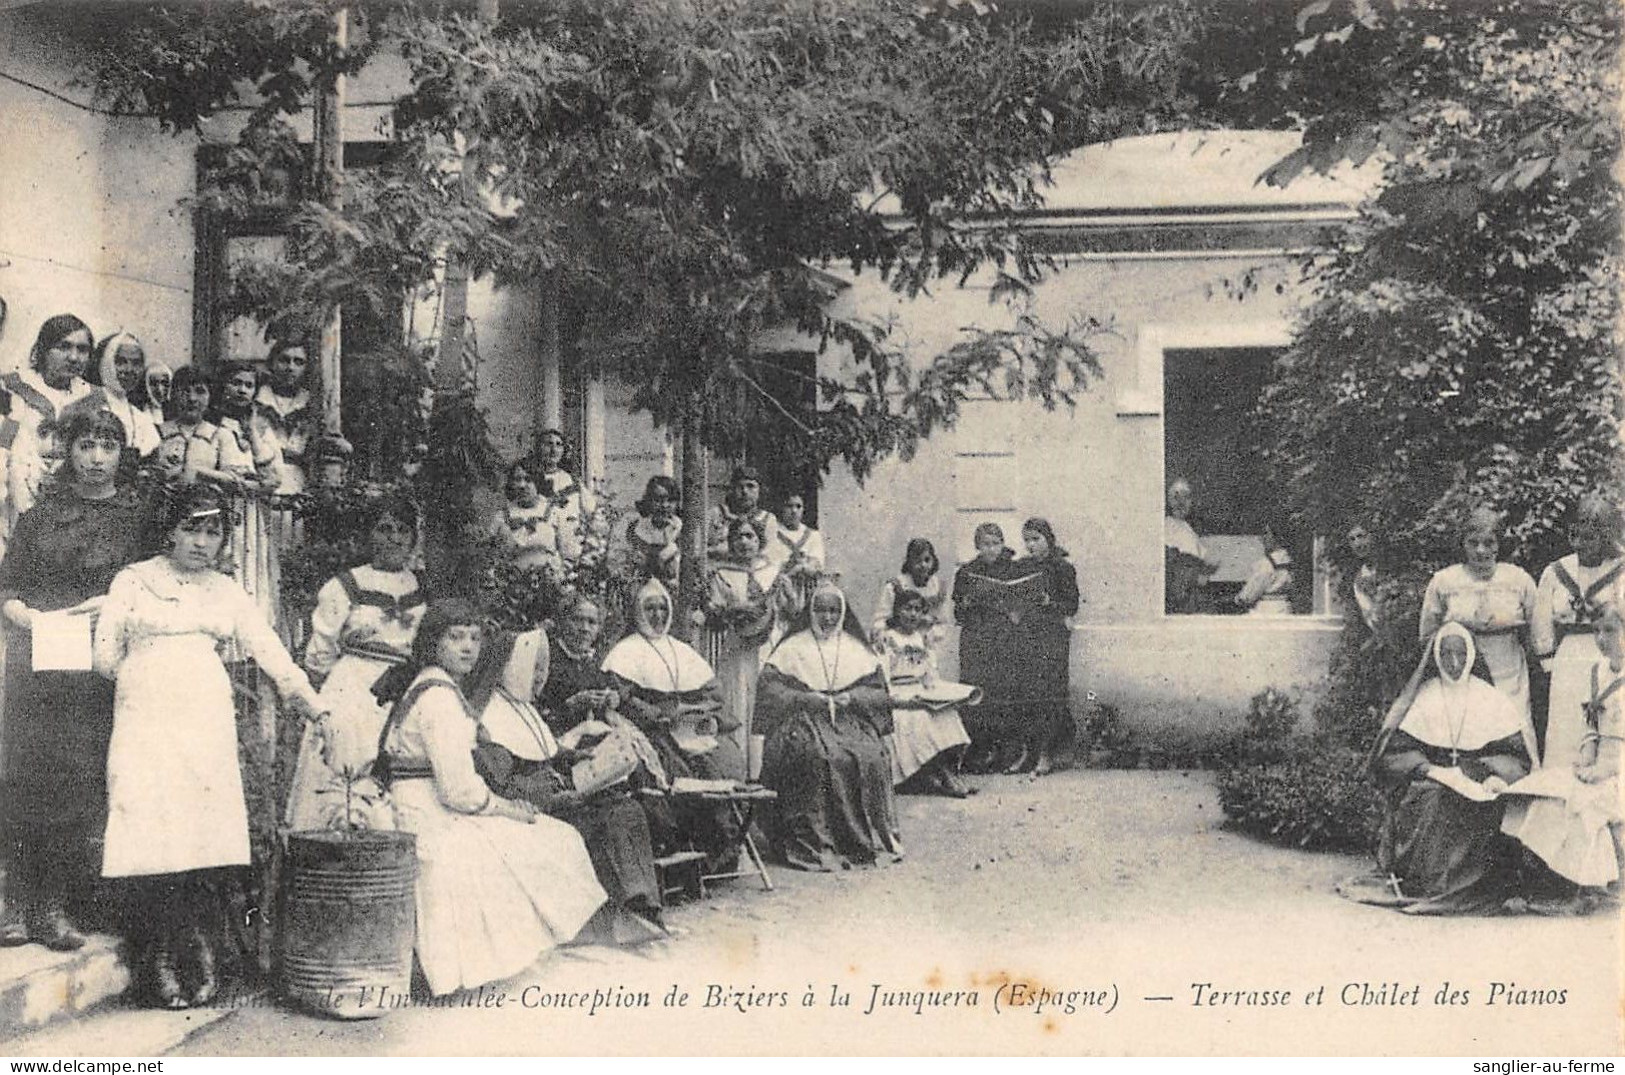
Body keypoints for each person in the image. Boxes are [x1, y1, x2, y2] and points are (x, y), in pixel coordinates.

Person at [93, 485, 325, 1007]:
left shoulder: (225, 591)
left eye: (213, 531)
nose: (201, 542)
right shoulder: (134, 581)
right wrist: (150, 671)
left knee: (199, 832)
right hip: (146, 716)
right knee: (151, 825)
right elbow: (104, 656)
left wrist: (313, 704)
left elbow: (270, 650)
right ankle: (155, 955)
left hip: (205, 717)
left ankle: (195, 948)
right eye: (191, 529)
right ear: (170, 530)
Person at [372, 600, 606, 996]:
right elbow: (459, 792)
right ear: (433, 643)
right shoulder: (439, 698)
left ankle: (521, 951)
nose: (468, 647)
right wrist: (508, 809)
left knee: (547, 836)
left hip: (423, 799)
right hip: (425, 811)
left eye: (475, 638)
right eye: (455, 637)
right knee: (547, 837)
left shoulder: (436, 685)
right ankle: (496, 960)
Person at [0, 403, 149, 951]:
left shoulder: (137, 521)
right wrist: (32, 619)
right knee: (28, 774)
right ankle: (18, 900)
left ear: (120, 454)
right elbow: (7, 588)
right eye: (86, 446)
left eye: (107, 447)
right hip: (39, 658)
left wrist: (111, 605)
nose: (95, 458)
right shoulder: (42, 515)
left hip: (99, 661)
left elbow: (152, 587)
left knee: (82, 777)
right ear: (70, 451)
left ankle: (61, 902)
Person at [467, 628, 666, 945]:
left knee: (628, 808)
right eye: (533, 670)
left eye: (541, 670)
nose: (539, 679)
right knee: (609, 819)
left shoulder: (522, 706)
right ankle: (623, 913)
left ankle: (644, 906)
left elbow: (545, 748)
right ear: (511, 668)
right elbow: (500, 783)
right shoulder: (490, 716)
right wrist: (555, 797)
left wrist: (579, 755)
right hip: (535, 808)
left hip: (562, 793)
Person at [1339, 624, 1531, 915]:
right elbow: (1394, 753)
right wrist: (1427, 768)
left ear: (1471, 656)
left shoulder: (1491, 699)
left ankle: (1476, 884)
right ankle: (1430, 883)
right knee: (1433, 798)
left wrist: (1493, 775)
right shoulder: (1424, 696)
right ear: (1436, 656)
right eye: (1447, 653)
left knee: (1482, 803)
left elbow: (1514, 755)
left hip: (1479, 778)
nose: (1454, 662)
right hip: (1431, 777)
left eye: (1460, 654)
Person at [283, 495, 427, 832]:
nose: (393, 538)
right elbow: (320, 654)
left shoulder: (422, 585)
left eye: (402, 530)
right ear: (369, 535)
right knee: (349, 765)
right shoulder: (345, 585)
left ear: (413, 537)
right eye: (384, 529)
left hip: (404, 685)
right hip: (354, 687)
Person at [756, 580, 902, 871]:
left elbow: (877, 692)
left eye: (834, 611)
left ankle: (860, 840)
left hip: (849, 721)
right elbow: (770, 690)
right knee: (815, 758)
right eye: (821, 610)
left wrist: (854, 696)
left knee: (870, 756)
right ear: (811, 612)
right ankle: (816, 841)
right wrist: (803, 698)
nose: (827, 618)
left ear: (843, 613)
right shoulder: (792, 648)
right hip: (803, 719)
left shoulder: (855, 648)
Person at [601, 579, 738, 864]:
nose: (658, 615)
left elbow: (713, 693)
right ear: (637, 612)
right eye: (649, 608)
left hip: (691, 731)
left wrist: (691, 710)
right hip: (653, 733)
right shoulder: (624, 652)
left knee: (721, 763)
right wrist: (660, 715)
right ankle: (690, 856)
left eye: (663, 608)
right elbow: (625, 699)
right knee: (677, 772)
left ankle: (720, 854)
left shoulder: (681, 649)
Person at [1501, 601, 1625, 903]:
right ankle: (1555, 881)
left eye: (1610, 630)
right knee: (1544, 791)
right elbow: (1591, 728)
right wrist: (1586, 755)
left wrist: (1606, 769)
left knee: (1580, 805)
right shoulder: (1597, 672)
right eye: (1596, 631)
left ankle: (1593, 883)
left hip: (1619, 770)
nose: (1601, 639)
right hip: (1597, 764)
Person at [1418, 505, 1540, 760]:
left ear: (1499, 544)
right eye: (1473, 543)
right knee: (1469, 726)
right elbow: (1428, 634)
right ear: (1463, 544)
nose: (1481, 550)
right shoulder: (1445, 581)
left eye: (1488, 542)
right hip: (1462, 668)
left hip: (1508, 667)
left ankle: (1522, 784)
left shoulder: (1518, 579)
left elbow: (1536, 629)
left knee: (1515, 722)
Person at [1528, 496, 1622, 767]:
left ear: (1606, 537)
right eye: (1577, 536)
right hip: (1568, 656)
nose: (1582, 544)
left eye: (1591, 538)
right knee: (1567, 719)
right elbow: (1541, 618)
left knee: (1605, 716)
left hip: (1606, 653)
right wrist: (1548, 660)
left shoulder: (1618, 570)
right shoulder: (1557, 571)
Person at [705, 517, 797, 779]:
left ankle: (769, 770)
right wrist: (732, 610)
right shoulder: (722, 575)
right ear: (730, 542)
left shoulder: (774, 573)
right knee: (738, 700)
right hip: (738, 649)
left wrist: (789, 598)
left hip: (768, 646)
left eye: (750, 537)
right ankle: (739, 770)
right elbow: (713, 615)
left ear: (760, 541)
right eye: (738, 537)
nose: (744, 542)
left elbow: (793, 612)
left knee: (766, 699)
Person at [952, 522, 1035, 773]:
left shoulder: (1014, 569)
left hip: (1005, 638)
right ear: (977, 546)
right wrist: (968, 602)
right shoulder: (967, 573)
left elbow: (1025, 600)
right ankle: (980, 751)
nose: (992, 549)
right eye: (986, 544)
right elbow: (958, 612)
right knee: (978, 695)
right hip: (977, 639)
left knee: (1005, 693)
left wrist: (1013, 608)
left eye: (996, 543)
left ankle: (1006, 752)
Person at [877, 589, 973, 798]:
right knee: (919, 718)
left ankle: (948, 773)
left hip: (921, 691)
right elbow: (882, 677)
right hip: (899, 694)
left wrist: (936, 691)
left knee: (947, 713)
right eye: (907, 609)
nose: (912, 615)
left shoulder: (921, 638)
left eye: (918, 610)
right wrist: (898, 699)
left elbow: (929, 673)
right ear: (896, 611)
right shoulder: (888, 639)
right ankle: (945, 775)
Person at [7, 314, 100, 519]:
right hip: (15, 499)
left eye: (82, 349)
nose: (74, 357)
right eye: (63, 347)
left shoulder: (94, 398)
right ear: (43, 350)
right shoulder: (14, 389)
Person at [1017, 517, 1081, 775]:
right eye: (1027, 540)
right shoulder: (1023, 567)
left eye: (1036, 539)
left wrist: (1048, 602)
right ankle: (1027, 753)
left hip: (1052, 637)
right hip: (1027, 635)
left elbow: (1071, 605)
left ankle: (1047, 753)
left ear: (1048, 539)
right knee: (1026, 695)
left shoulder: (1062, 567)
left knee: (1050, 696)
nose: (1031, 545)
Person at [253, 339, 318, 495]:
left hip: (299, 485)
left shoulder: (312, 405)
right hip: (263, 483)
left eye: (298, 362)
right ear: (272, 364)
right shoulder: (256, 401)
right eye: (284, 360)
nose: (291, 368)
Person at [530, 429, 601, 568]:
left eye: (558, 444)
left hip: (569, 553)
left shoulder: (572, 482)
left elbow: (595, 513)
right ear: (538, 448)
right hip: (542, 552)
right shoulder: (529, 481)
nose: (553, 449)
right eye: (548, 444)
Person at [86, 333, 160, 458]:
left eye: (136, 363)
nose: (129, 369)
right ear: (105, 362)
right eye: (121, 362)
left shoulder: (142, 418)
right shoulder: (85, 405)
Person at [489, 459, 565, 575]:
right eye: (517, 479)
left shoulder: (554, 512)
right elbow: (491, 558)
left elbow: (568, 554)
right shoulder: (502, 516)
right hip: (512, 586)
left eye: (528, 479)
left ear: (538, 481)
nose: (522, 485)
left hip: (549, 585)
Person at [871, 538, 947, 642]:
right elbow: (880, 620)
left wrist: (929, 635)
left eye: (927, 560)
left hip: (926, 641)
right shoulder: (895, 586)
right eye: (917, 560)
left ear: (934, 561)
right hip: (898, 640)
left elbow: (942, 622)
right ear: (909, 562)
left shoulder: (938, 587)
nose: (923, 565)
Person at [764, 491, 825, 611]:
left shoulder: (813, 535)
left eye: (798, 506)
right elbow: (770, 564)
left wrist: (804, 567)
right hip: (783, 589)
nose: (794, 511)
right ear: (781, 508)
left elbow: (817, 564)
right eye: (789, 506)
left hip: (806, 588)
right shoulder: (773, 534)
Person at [1164, 478, 1217, 614]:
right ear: (1168, 501)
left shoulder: (1187, 528)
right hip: (1182, 596)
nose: (1181, 502)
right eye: (1176, 497)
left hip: (1195, 592)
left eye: (1186, 497)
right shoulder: (1166, 527)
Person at [623, 474, 682, 588]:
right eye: (658, 500)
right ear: (648, 501)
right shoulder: (636, 529)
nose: (664, 505)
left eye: (670, 500)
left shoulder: (681, 530)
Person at [706, 465, 772, 560]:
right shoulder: (715, 514)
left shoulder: (767, 518)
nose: (744, 491)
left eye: (750, 486)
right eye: (739, 487)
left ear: (760, 490)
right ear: (732, 490)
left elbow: (769, 555)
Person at [1233, 520, 1294, 615]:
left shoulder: (1266, 563)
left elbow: (1251, 592)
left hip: (1267, 609)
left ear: (1276, 537)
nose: (1263, 539)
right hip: (1285, 608)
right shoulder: (1289, 559)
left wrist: (1239, 599)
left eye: (1266, 534)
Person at [130, 360, 172, 432]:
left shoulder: (174, 414)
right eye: (154, 384)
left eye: (164, 383)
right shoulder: (138, 413)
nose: (159, 389)